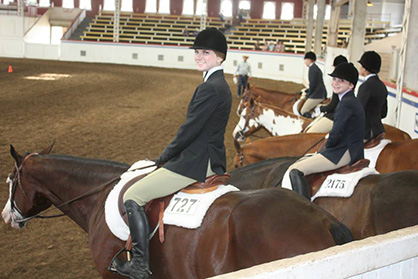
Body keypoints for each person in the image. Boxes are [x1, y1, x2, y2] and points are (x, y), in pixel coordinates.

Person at [111, 27, 232, 279]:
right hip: (209, 156)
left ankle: (140, 265)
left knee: (133, 195)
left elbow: (189, 130)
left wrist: (165, 156)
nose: (199, 56)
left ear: (220, 57)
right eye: (197, 52)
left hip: (198, 161)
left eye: (205, 52)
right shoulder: (220, 84)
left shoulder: (210, 88)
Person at [288, 62, 365, 200]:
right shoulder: (349, 100)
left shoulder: (346, 103)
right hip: (349, 149)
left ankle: (304, 208)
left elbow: (336, 133)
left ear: (351, 85)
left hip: (342, 153)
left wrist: (327, 146)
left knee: (295, 170)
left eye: (341, 80)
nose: (335, 83)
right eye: (334, 79)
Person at [306, 55, 348, 133]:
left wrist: (321, 108)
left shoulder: (339, 84)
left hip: (335, 116)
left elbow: (333, 106)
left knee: (309, 133)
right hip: (338, 113)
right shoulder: (347, 81)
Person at [357, 51, 388, 141]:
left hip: (366, 133)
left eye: (361, 65)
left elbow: (357, 111)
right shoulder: (382, 85)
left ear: (365, 68)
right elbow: (383, 113)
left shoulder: (365, 86)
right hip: (379, 131)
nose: (360, 67)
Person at [300, 51, 327, 118]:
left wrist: (308, 95)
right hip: (320, 92)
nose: (305, 62)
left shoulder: (313, 69)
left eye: (305, 60)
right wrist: (307, 90)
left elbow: (313, 85)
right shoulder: (315, 68)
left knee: (303, 110)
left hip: (317, 95)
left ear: (309, 60)